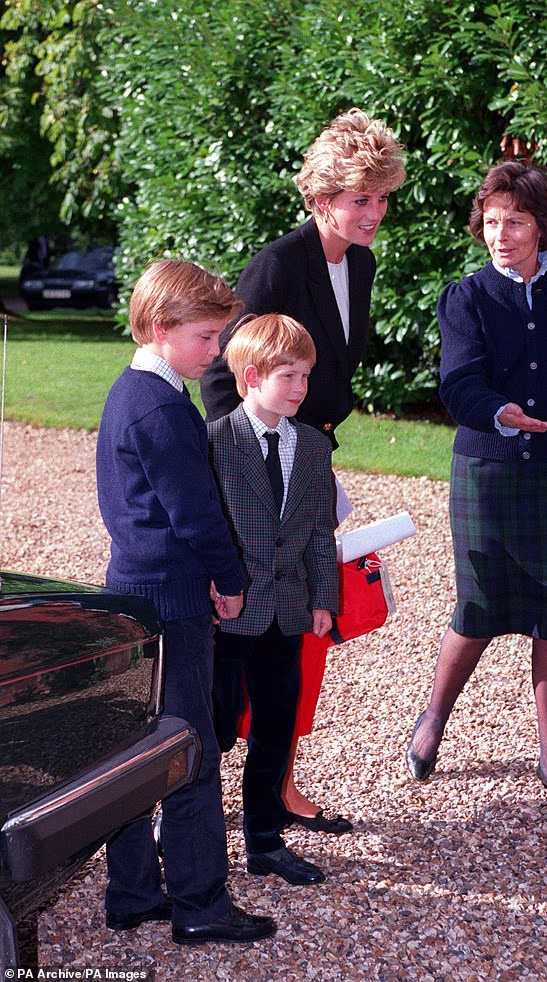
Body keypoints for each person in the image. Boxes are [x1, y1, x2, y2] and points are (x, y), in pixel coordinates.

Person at [406, 160, 547, 812]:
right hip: (487, 472)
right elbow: (459, 383)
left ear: (542, 228)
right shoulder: (466, 297)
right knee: (478, 608)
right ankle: (433, 718)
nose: (501, 235)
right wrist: (500, 413)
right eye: (492, 222)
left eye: (516, 222)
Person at [201, 107, 405, 831]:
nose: (374, 212)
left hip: (311, 461)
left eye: (382, 198)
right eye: (361, 198)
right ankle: (197, 796)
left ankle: (277, 785)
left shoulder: (362, 263)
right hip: (260, 471)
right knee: (241, 642)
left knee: (306, 629)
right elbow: (222, 377)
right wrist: (252, 466)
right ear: (320, 198)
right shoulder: (279, 265)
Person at [96, 259, 276, 945]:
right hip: (170, 601)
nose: (217, 351)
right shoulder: (163, 408)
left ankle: (134, 891)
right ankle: (200, 904)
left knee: (139, 751)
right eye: (205, 337)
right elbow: (196, 515)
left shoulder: (133, 390)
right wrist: (230, 579)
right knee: (188, 750)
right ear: (161, 328)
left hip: (134, 590)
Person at [208, 313, 339, 886]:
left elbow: (319, 531)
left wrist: (323, 597)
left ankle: (264, 839)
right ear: (251, 377)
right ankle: (183, 827)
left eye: (306, 376)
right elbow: (204, 525)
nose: (300, 388)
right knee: (214, 725)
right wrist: (214, 587)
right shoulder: (215, 441)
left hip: (285, 614)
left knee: (275, 727)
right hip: (228, 615)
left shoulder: (311, 445)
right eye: (288, 376)